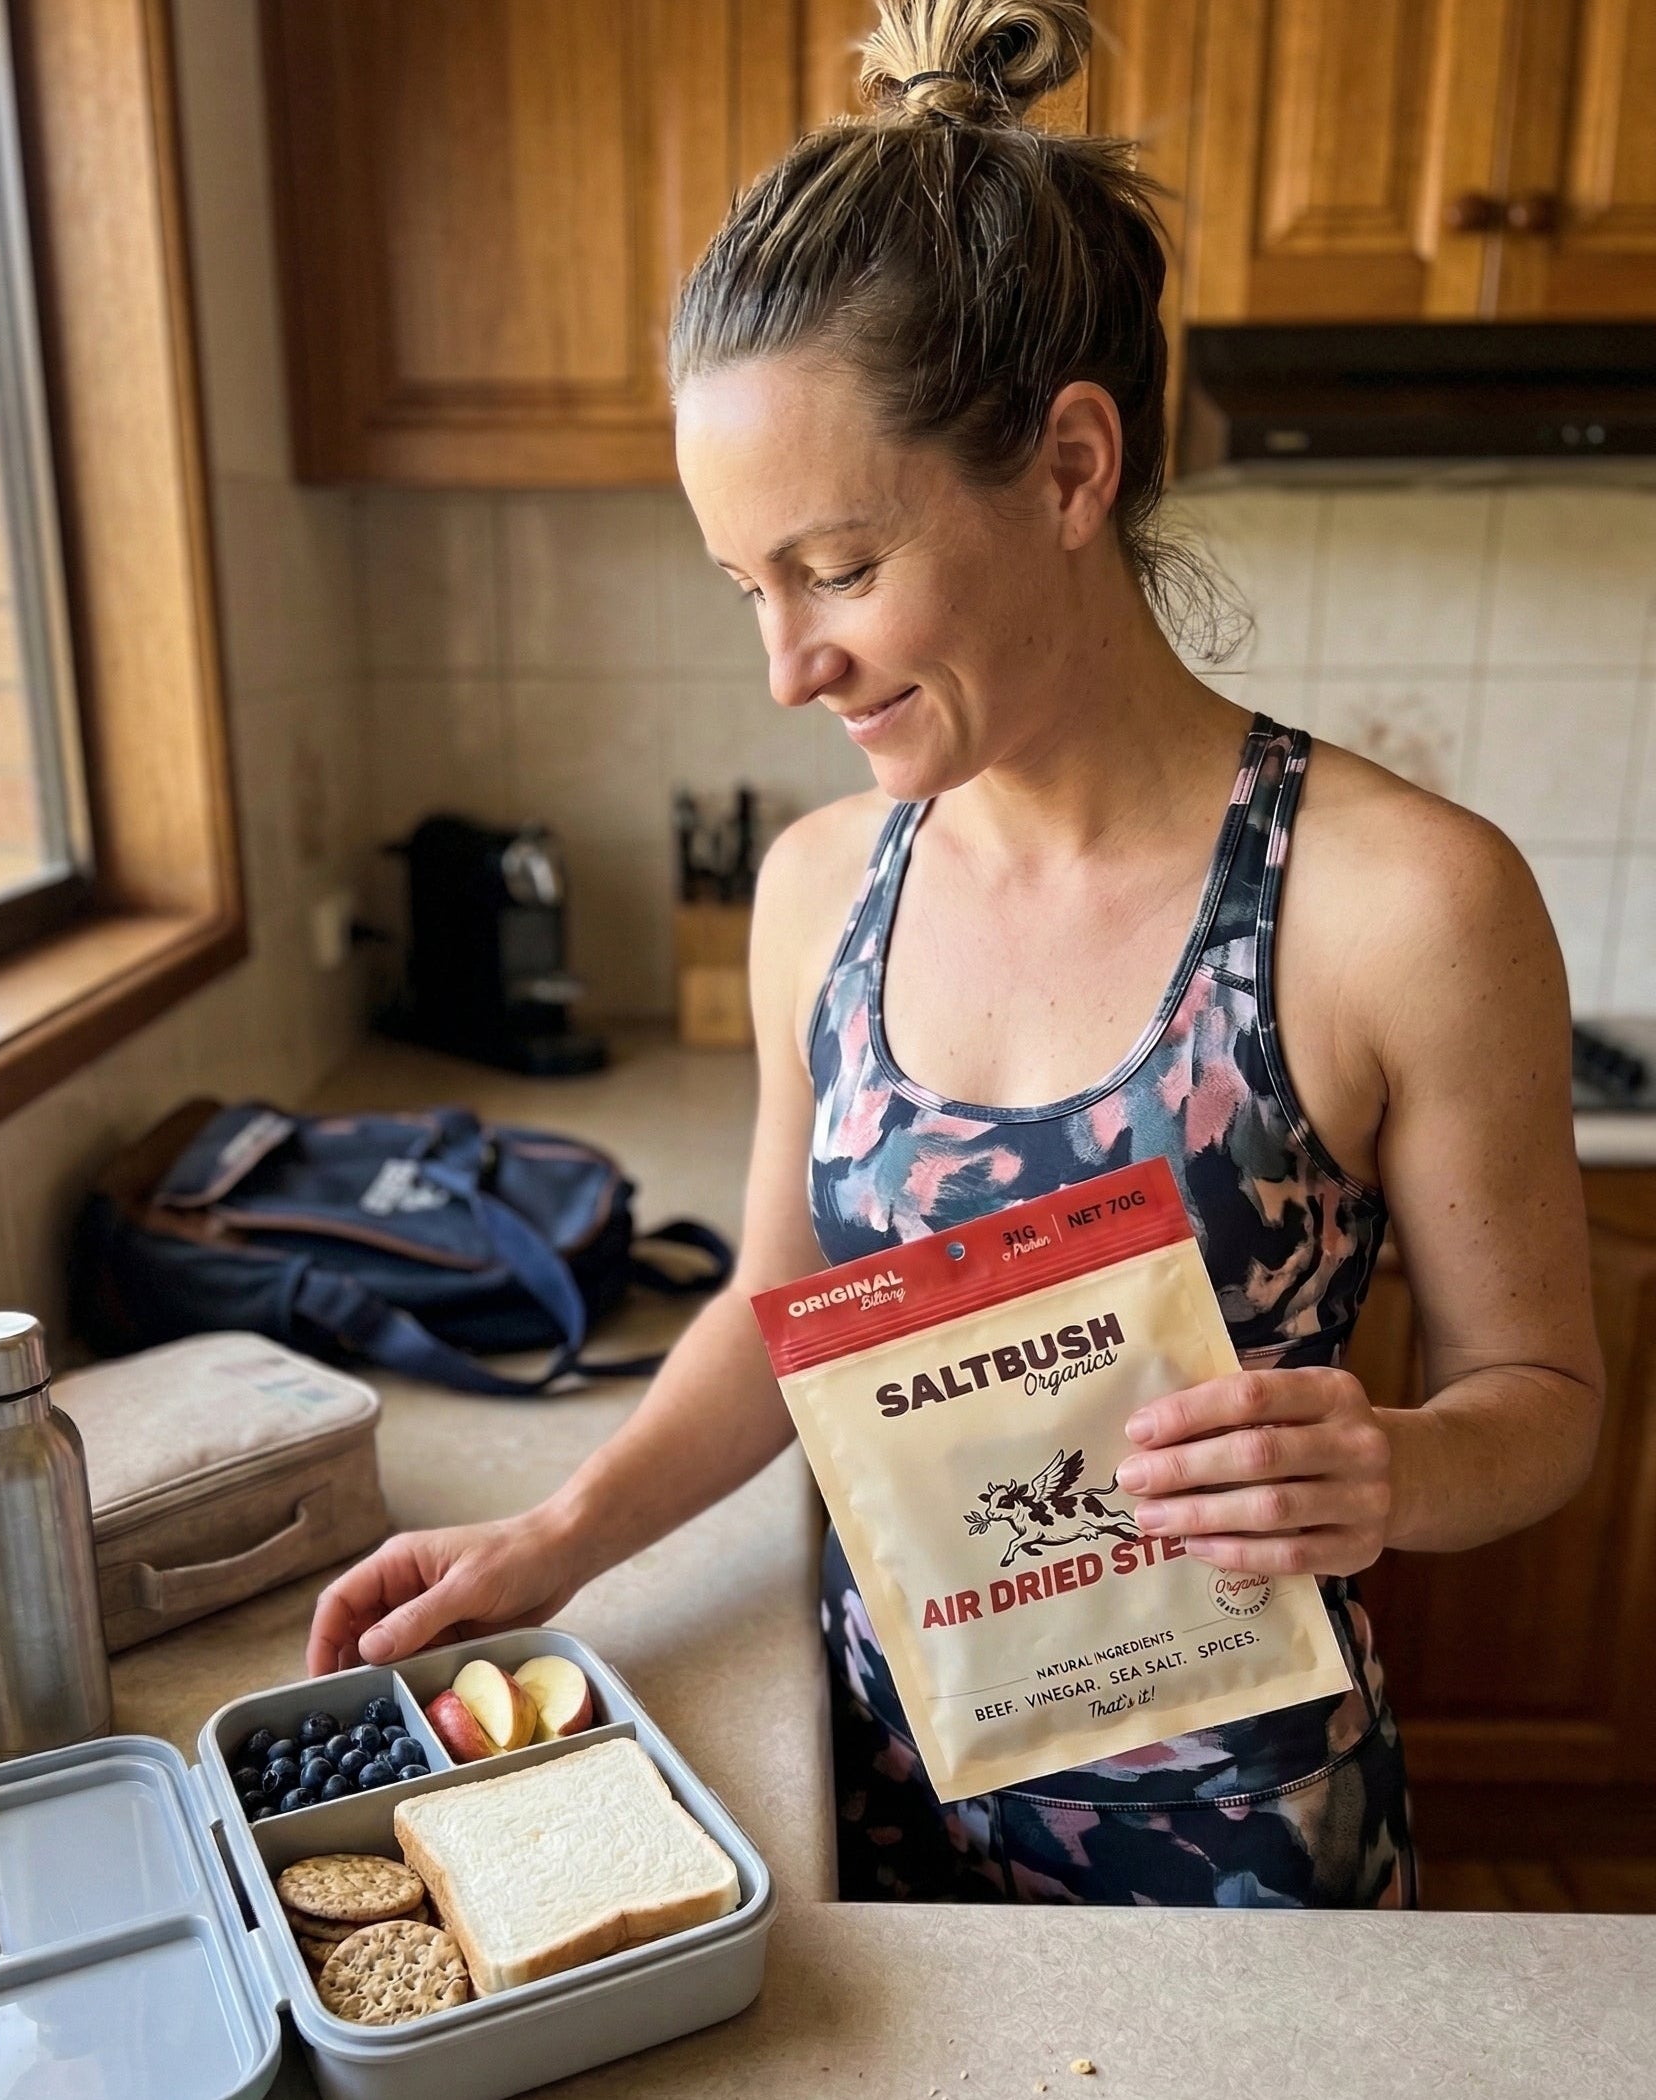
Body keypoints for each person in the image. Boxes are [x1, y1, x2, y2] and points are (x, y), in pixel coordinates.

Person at [307, 0, 1603, 1907]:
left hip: (1235, 1862)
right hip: (871, 1810)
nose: (785, 665)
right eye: (747, 586)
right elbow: (781, 1311)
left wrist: (1398, 1466)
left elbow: (1547, 1406)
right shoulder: (825, 892)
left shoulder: (1402, 903)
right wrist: (556, 1538)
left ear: (1072, 468)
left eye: (836, 569)